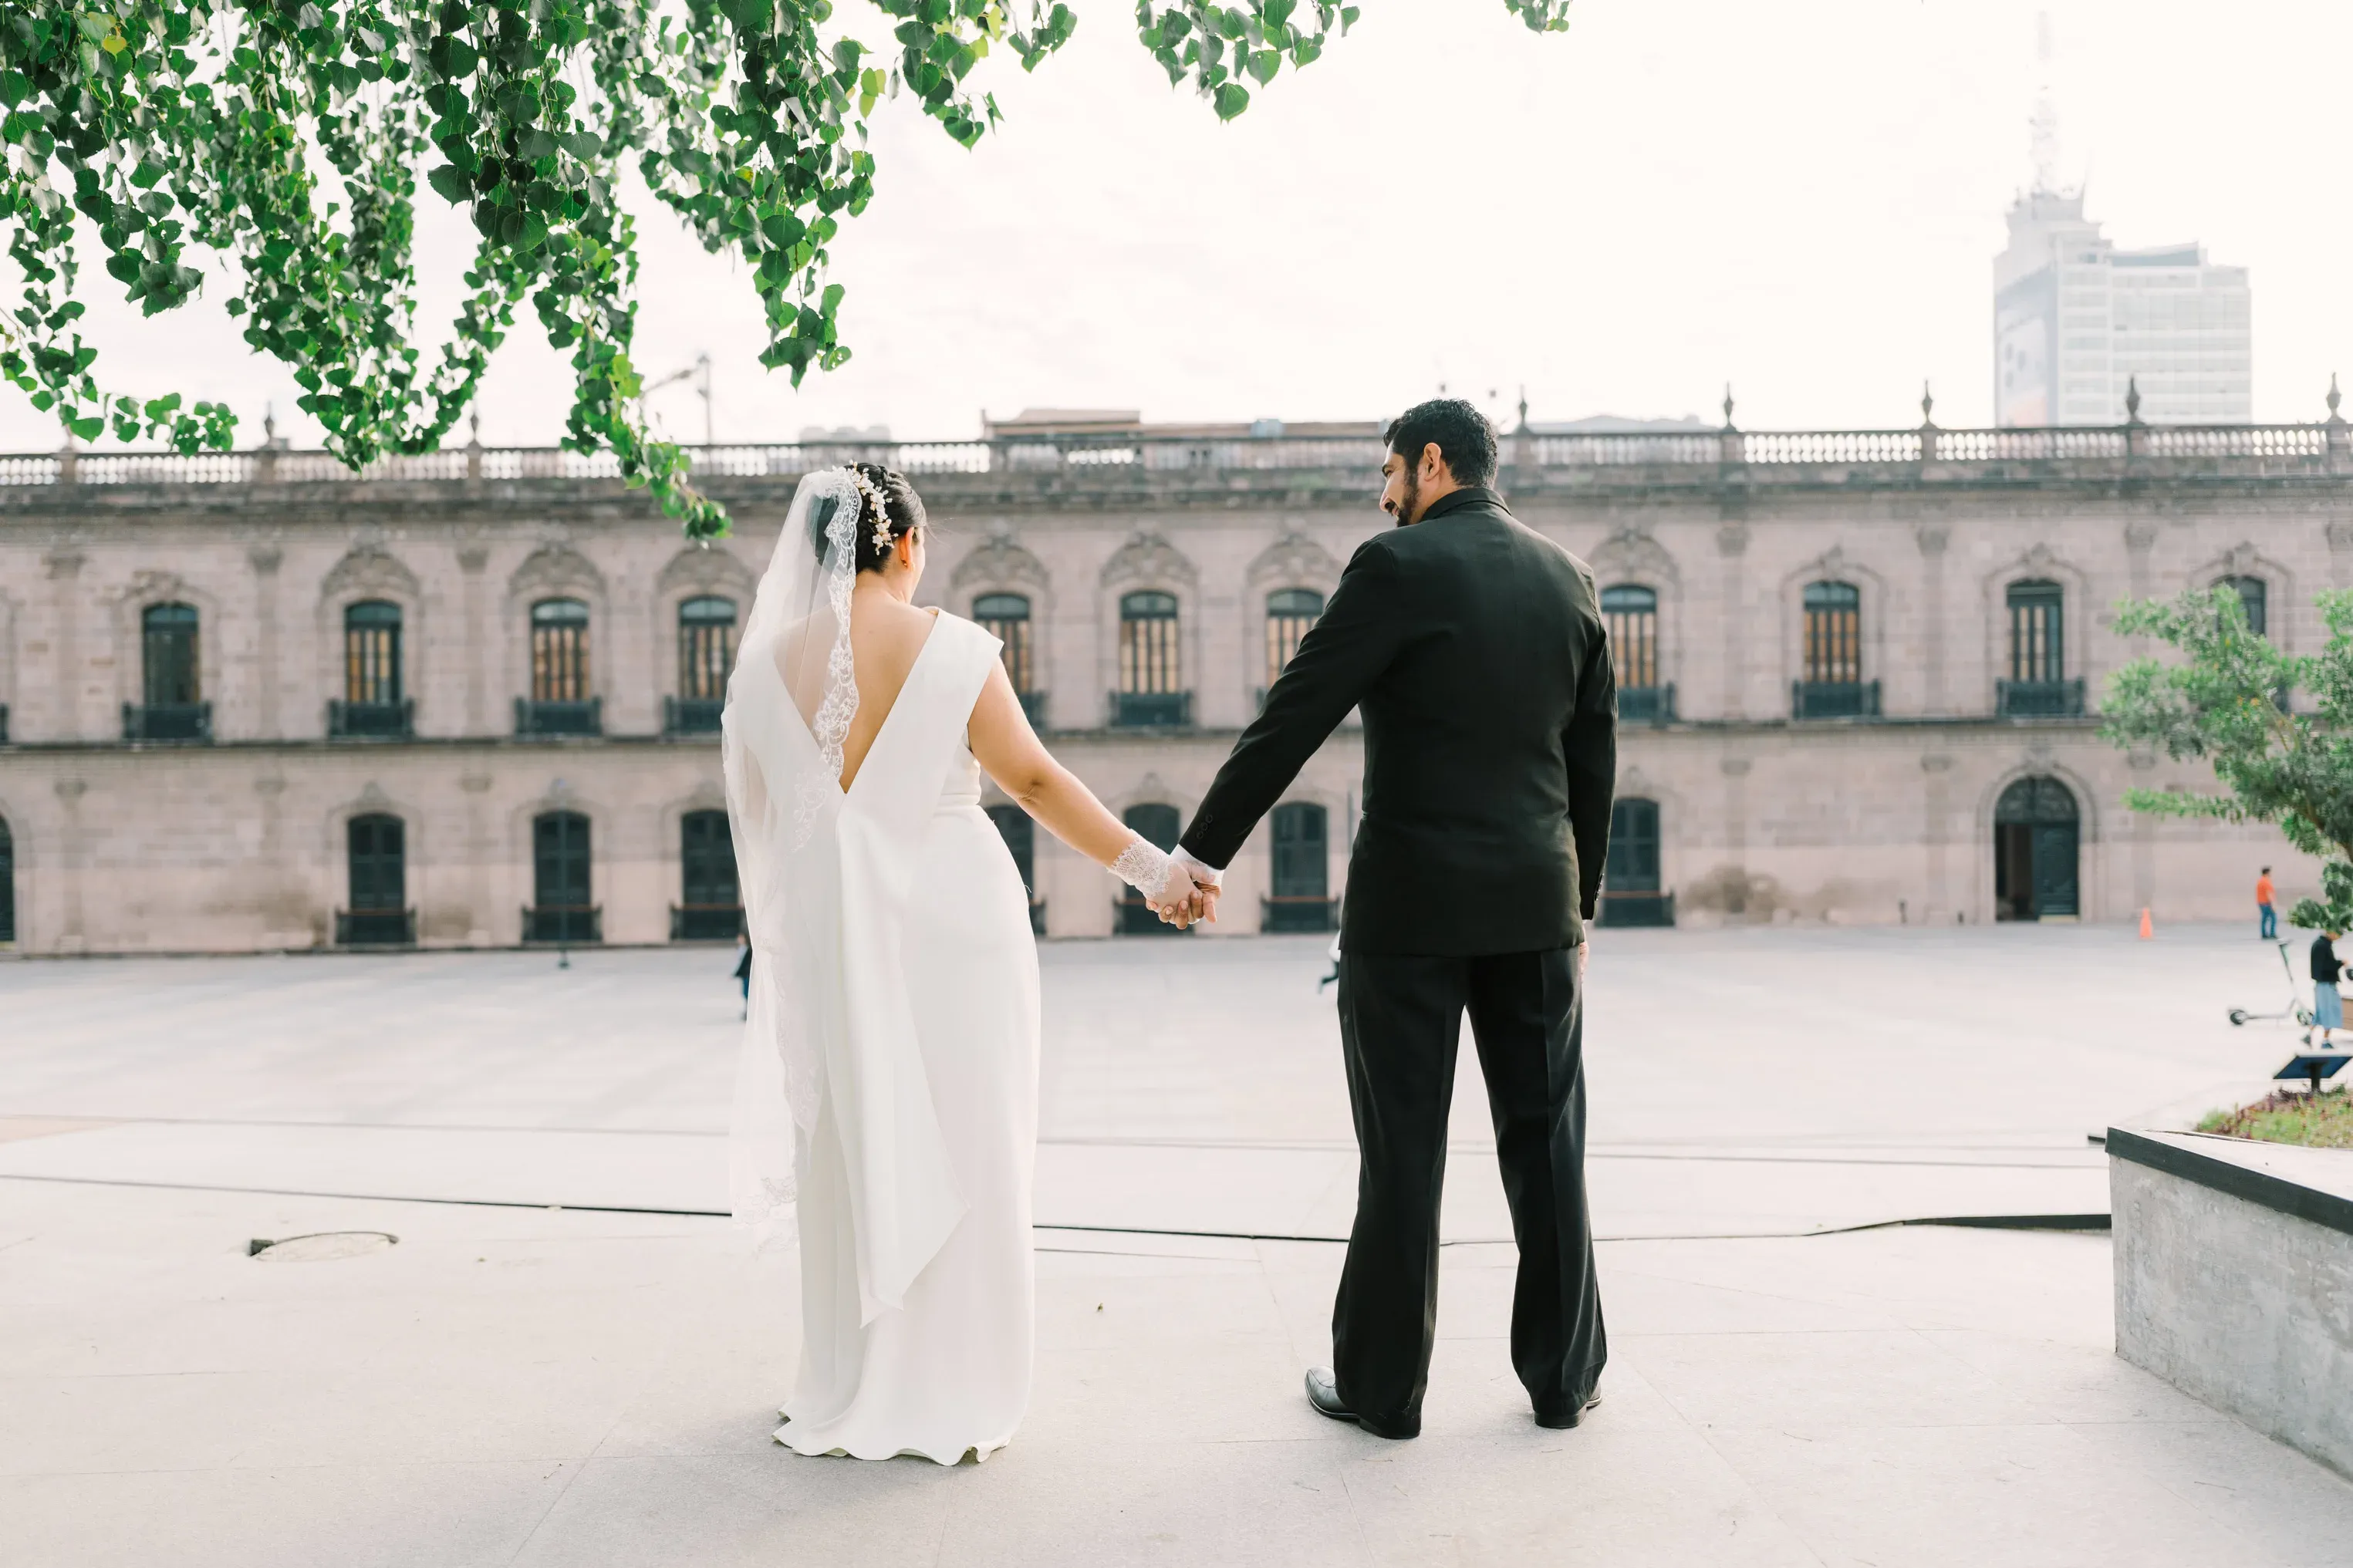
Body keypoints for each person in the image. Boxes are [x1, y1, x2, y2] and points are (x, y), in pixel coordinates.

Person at [1156, 398, 1616, 1440]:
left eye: (1388, 472)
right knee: (1547, 1147)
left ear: (1431, 462)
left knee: (1401, 1150)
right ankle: (1562, 1379)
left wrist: (1199, 854)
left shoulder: (1393, 567)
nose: (1382, 495)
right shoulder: (1571, 580)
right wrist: (1577, 906)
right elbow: (1592, 764)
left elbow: (1294, 713)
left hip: (1408, 909)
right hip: (1536, 908)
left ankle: (1384, 1389)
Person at [722, 464, 1190, 1465]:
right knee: (974, 1139)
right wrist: (1154, 871)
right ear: (903, 543)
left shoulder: (760, 670)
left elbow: (765, 829)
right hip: (958, 923)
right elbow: (1032, 780)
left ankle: (851, 1377)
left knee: (849, 1139)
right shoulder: (951, 645)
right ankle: (956, 1378)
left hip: (836, 932)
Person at [2313, 929, 2342, 1045]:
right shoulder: (2323, 946)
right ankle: (2325, 1040)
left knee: (2321, 1011)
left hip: (2322, 983)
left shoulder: (2320, 944)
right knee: (2328, 1011)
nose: (2338, 938)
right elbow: (2327, 965)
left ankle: (2309, 1034)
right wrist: (2340, 963)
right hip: (2326, 983)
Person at [2257, 867, 2277, 940]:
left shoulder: (2260, 881)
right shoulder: (2266, 881)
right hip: (2267, 903)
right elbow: (2269, 893)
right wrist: (2273, 905)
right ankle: (2272, 933)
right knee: (2273, 918)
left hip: (2261, 903)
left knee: (2264, 919)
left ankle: (2264, 934)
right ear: (2267, 873)